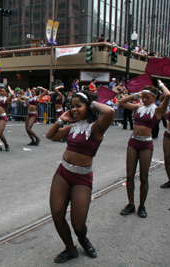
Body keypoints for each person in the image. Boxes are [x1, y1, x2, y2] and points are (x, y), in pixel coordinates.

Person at [46, 90, 115, 263]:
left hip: (82, 179)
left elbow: (111, 112)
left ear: (89, 107)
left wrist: (90, 102)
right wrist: (61, 120)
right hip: (63, 173)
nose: (74, 109)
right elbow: (50, 135)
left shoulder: (96, 128)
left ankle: (83, 240)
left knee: (78, 224)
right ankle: (70, 249)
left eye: (79, 106)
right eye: (72, 106)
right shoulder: (72, 127)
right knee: (57, 214)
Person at [118, 80, 170, 218]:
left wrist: (161, 85)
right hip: (133, 142)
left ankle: (142, 205)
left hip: (146, 144)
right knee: (129, 175)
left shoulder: (158, 110)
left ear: (155, 97)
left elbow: (168, 96)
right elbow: (121, 102)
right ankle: (131, 204)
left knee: (144, 177)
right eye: (143, 97)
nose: (144, 100)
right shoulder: (138, 108)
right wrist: (136, 95)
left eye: (147, 97)